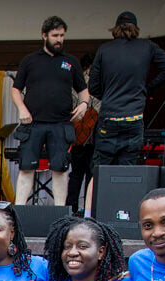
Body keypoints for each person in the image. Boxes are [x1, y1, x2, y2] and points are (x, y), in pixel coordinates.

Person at [11, 16, 89, 207]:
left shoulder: (71, 62)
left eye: (62, 35)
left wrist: (84, 104)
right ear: (44, 35)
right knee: (26, 168)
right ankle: (19, 212)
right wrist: (22, 109)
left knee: (60, 169)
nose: (59, 40)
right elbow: (15, 89)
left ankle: (60, 213)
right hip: (33, 123)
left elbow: (83, 90)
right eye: (55, 35)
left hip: (61, 123)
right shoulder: (30, 61)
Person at [88, 11, 165, 173]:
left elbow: (93, 87)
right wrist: (148, 89)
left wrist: (108, 95)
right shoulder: (147, 46)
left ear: (115, 28)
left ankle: (98, 199)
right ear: (136, 28)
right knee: (127, 172)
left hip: (109, 116)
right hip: (133, 117)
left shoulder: (104, 49)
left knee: (100, 170)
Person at [68, 52, 100, 214]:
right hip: (95, 136)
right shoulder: (100, 81)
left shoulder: (77, 83)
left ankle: (70, 208)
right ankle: (89, 209)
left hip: (78, 136)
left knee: (75, 174)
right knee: (91, 174)